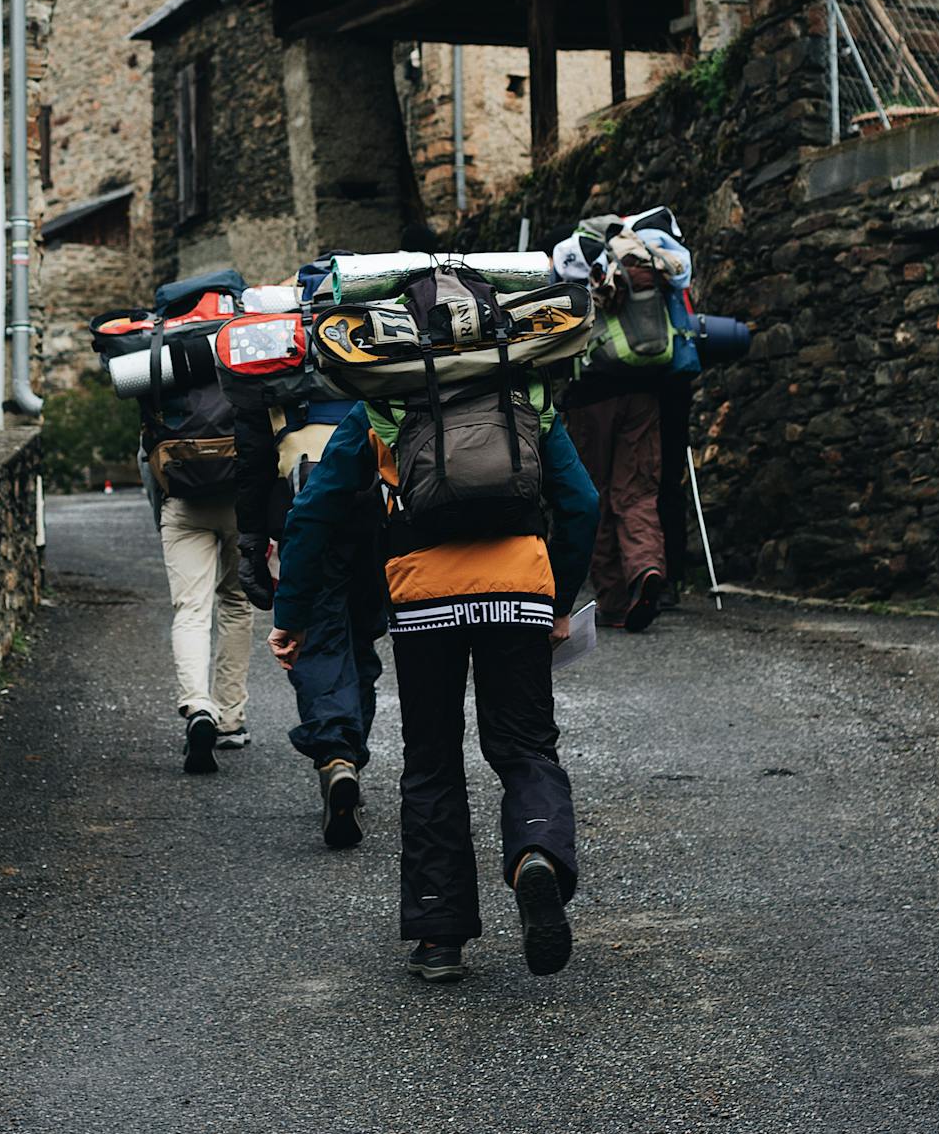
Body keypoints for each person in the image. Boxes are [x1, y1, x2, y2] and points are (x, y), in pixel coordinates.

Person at [267, 383, 598, 983]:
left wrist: (291, 616)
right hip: (520, 587)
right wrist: (559, 599)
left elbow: (315, 509)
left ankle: (438, 934)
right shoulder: (524, 396)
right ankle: (535, 854)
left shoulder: (383, 403)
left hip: (424, 598)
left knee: (431, 759)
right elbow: (582, 502)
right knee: (525, 747)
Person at [234, 394, 386, 847]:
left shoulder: (274, 355)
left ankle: (336, 753)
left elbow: (254, 461)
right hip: (379, 499)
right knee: (361, 638)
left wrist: (250, 546)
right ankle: (349, 758)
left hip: (306, 496)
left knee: (319, 638)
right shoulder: (379, 335)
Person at [556, 220, 690, 633]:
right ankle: (647, 570)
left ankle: (613, 602)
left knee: (595, 493)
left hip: (591, 399)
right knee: (637, 492)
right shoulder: (639, 253)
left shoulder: (572, 254)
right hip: (644, 394)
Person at [140, 363, 253, 776]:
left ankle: (198, 706)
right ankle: (230, 718)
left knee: (191, 609)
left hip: (183, 500)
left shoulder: (165, 364)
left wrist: (163, 517)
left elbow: (145, 456)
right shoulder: (239, 352)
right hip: (238, 500)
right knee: (236, 603)